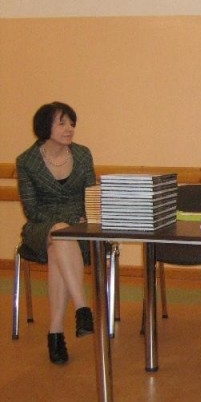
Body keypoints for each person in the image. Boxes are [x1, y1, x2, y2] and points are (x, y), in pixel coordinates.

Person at [16, 102, 96, 365]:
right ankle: (82, 307)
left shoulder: (83, 155)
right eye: (62, 123)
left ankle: (56, 332)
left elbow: (91, 196)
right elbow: (32, 210)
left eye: (71, 123)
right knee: (59, 234)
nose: (69, 128)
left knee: (59, 245)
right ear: (44, 127)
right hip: (41, 227)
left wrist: (75, 222)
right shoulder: (27, 161)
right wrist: (60, 224)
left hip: (79, 227)